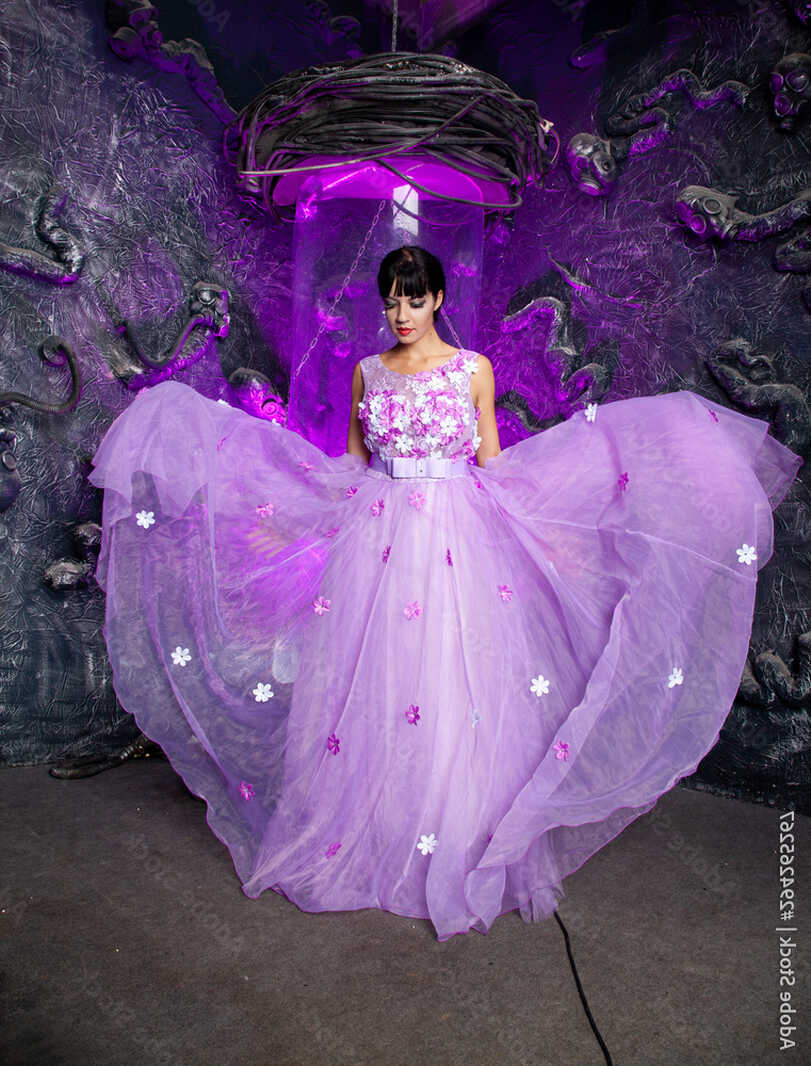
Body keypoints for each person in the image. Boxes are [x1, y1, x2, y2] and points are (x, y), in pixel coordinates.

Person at [89, 244, 803, 942]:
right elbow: (352, 461)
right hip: (376, 533)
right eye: (391, 298)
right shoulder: (367, 372)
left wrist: (545, 519)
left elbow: (491, 460)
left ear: (436, 300)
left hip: (458, 534)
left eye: (414, 297)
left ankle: (450, 829)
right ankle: (368, 824)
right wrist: (290, 507)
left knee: (449, 673)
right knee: (374, 676)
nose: (401, 311)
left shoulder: (472, 370)